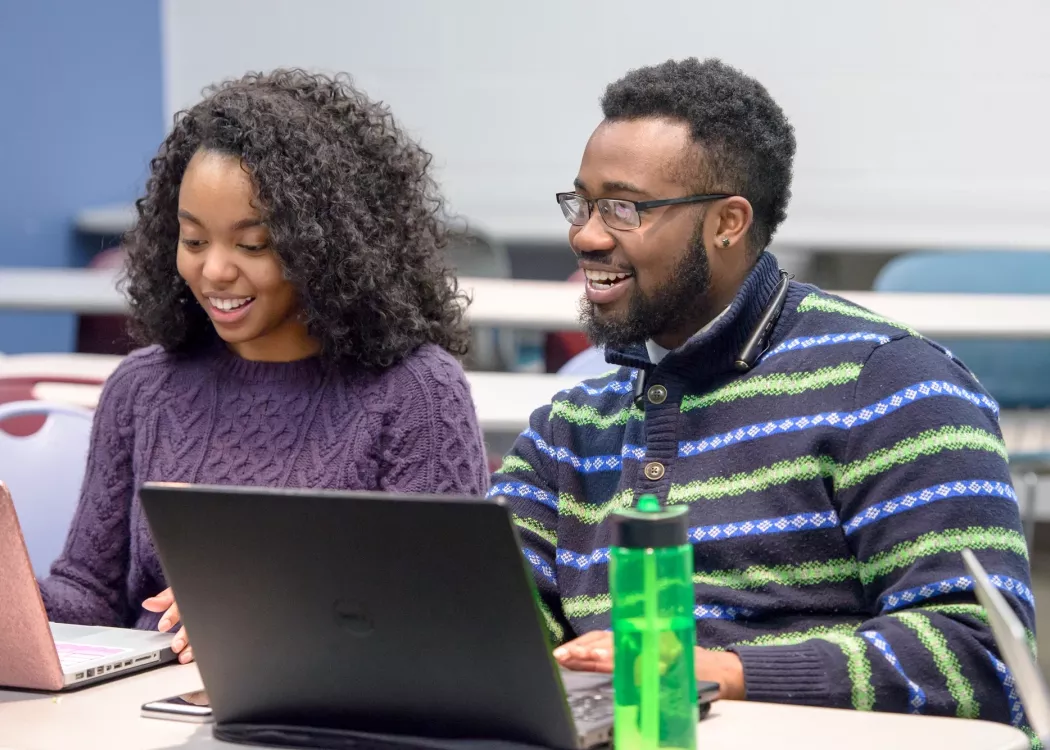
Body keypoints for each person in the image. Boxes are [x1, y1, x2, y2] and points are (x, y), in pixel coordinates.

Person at [491, 58, 1033, 726]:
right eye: (582, 203)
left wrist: (718, 672)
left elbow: (980, 656)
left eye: (624, 208)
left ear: (727, 222)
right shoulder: (572, 425)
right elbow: (487, 629)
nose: (586, 234)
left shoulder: (892, 384)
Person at [39, 69, 489, 663]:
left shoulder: (415, 393)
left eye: (253, 245)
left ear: (328, 247)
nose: (215, 271)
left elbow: (442, 610)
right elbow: (89, 593)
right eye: (194, 240)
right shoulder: (142, 389)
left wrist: (274, 611)